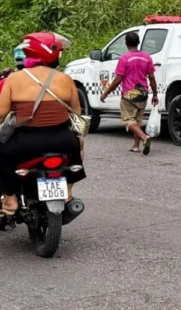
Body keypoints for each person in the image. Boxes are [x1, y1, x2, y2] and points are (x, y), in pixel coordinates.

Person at [0, 33, 86, 216]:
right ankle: (68, 192)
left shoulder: (14, 79)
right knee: (76, 150)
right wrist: (79, 139)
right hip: (63, 140)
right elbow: (77, 113)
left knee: (3, 155)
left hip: (25, 142)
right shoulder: (65, 79)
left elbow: (1, 114)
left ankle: (10, 200)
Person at [100, 32, 159, 155]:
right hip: (143, 92)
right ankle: (135, 146)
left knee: (128, 120)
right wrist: (155, 94)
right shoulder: (147, 57)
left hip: (130, 93)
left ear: (126, 43)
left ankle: (144, 138)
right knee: (137, 120)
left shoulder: (125, 58)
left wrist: (106, 93)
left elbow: (118, 79)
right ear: (138, 43)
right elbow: (152, 78)